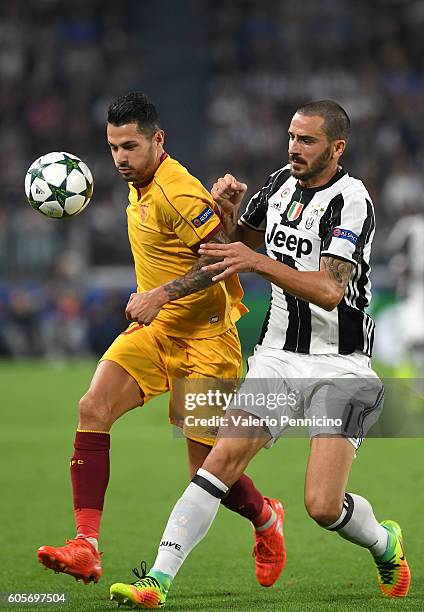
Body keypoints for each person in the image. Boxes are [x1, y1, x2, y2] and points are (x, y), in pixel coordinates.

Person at [109, 100, 411, 608]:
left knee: (321, 505)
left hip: (341, 364)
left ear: (336, 148)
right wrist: (225, 212)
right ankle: (156, 580)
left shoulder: (351, 199)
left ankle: (385, 542)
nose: (294, 147)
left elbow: (331, 289)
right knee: (220, 461)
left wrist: (256, 261)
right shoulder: (275, 185)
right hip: (277, 356)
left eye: (307, 140)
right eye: (292, 137)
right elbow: (236, 246)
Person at [36, 92, 286, 587]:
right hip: (157, 331)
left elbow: (221, 259)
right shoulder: (142, 182)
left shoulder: (177, 192)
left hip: (207, 340)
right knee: (93, 407)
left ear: (158, 139)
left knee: (208, 473)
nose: (121, 159)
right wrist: (158, 304)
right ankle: (86, 546)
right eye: (113, 148)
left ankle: (266, 518)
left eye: (130, 146)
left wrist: (160, 294)